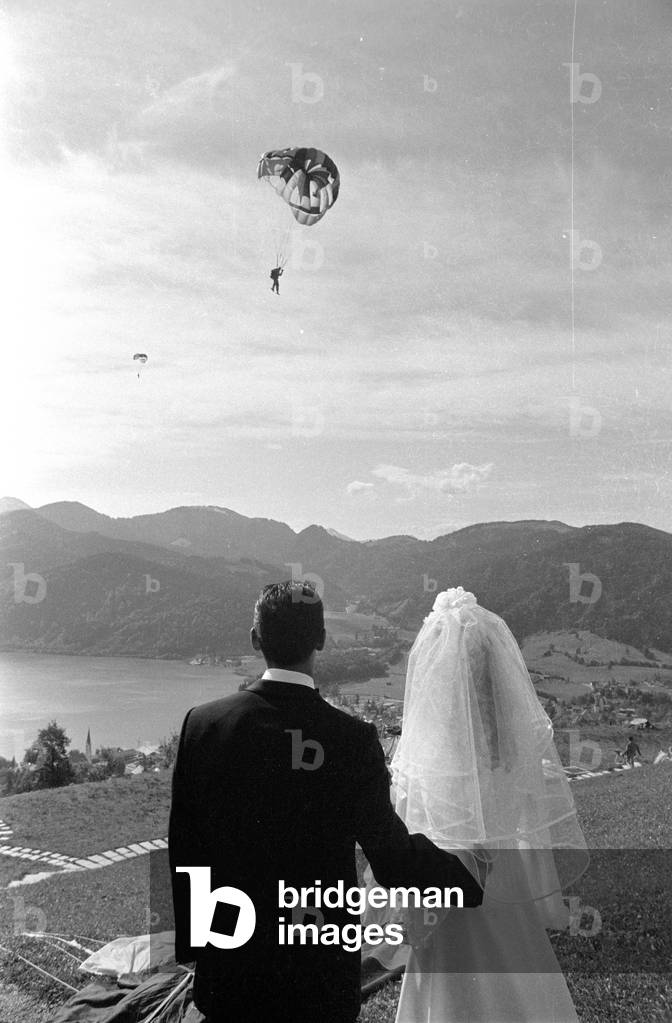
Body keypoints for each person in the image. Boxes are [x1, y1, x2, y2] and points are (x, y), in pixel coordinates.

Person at [169, 581, 484, 1023]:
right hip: (317, 977)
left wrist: (199, 949)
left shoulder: (203, 725)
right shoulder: (352, 741)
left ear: (255, 639)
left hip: (230, 973)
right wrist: (465, 876)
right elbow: (392, 859)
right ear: (321, 639)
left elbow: (187, 848)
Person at [364, 587, 589, 1023]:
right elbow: (527, 827)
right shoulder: (511, 748)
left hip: (446, 903)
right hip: (507, 895)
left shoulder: (426, 755)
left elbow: (403, 838)